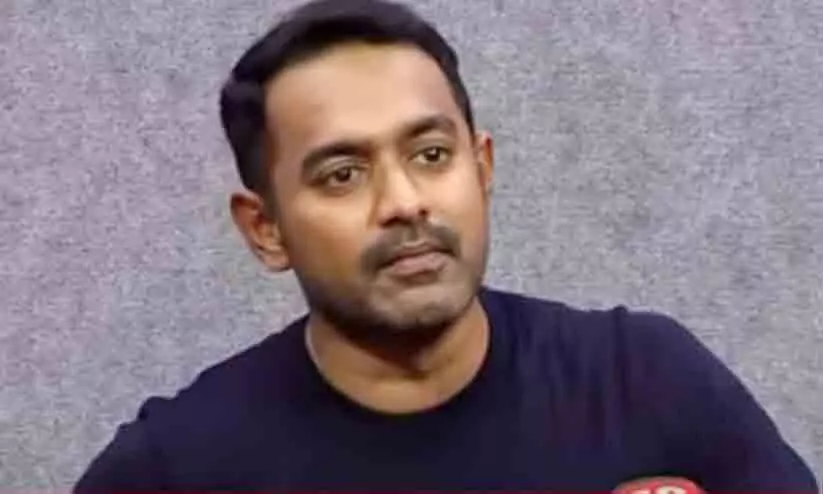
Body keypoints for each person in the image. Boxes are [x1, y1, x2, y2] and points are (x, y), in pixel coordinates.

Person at [74, 0, 818, 491]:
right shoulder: (180, 467)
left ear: (481, 167)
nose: (403, 202)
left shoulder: (645, 382)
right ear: (264, 230)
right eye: (342, 174)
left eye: (431, 155)